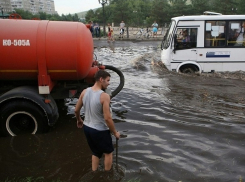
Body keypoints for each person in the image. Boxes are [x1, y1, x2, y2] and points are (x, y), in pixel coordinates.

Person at [75, 70, 120, 172]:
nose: (109, 83)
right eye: (107, 80)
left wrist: (79, 119)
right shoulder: (104, 96)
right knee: (108, 152)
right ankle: (107, 175)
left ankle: (94, 172)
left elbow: (76, 110)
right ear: (101, 79)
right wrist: (115, 132)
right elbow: (107, 118)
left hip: (87, 128)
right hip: (100, 130)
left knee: (95, 152)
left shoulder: (84, 92)